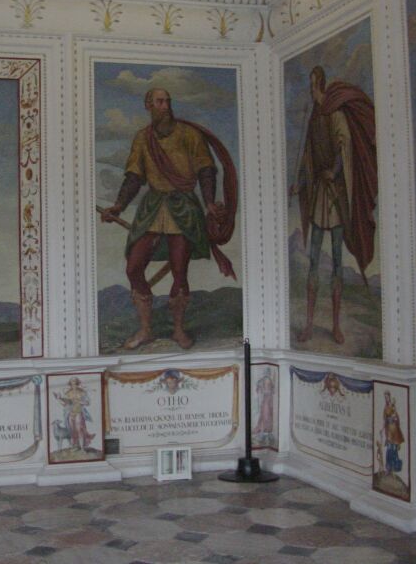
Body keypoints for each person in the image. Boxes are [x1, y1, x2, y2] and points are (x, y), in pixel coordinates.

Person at [101, 88, 238, 350]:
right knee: (133, 267)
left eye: (167, 101)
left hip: (184, 206)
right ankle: (145, 330)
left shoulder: (189, 135)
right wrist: (119, 205)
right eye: (160, 102)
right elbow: (134, 177)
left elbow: (206, 170)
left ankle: (178, 330)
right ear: (148, 105)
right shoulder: (143, 138)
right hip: (152, 207)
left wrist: (209, 202)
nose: (165, 106)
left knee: (179, 270)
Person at [290, 66, 377, 344]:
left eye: (313, 85)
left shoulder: (335, 115)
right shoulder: (314, 119)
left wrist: (335, 170)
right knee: (314, 259)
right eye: (310, 86)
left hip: (336, 196)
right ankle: (309, 324)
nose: (311, 91)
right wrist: (300, 185)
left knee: (338, 260)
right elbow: (308, 160)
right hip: (319, 194)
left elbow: (344, 146)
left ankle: (336, 326)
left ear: (320, 85)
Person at [54, 377, 94, 451]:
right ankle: (75, 446)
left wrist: (81, 402)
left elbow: (88, 403)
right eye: (72, 384)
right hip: (70, 413)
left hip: (78, 411)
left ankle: (82, 447)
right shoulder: (68, 393)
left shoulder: (82, 392)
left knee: (79, 429)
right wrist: (58, 399)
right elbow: (65, 404)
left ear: (77, 384)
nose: (74, 385)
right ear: (70, 384)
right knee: (72, 430)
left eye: (75, 383)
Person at [381, 391, 404, 474]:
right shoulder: (385, 408)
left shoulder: (393, 406)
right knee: (389, 449)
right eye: (385, 397)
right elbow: (384, 419)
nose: (386, 398)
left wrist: (394, 418)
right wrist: (382, 429)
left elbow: (396, 418)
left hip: (394, 430)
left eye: (387, 397)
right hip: (389, 431)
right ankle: (388, 467)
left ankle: (394, 467)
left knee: (394, 450)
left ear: (389, 397)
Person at [252, 367, 275, 443]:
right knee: (265, 415)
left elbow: (270, 391)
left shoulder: (267, 380)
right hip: (267, 400)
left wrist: (262, 389)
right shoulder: (266, 380)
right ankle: (264, 433)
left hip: (268, 400)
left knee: (266, 415)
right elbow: (267, 390)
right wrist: (261, 389)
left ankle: (266, 433)